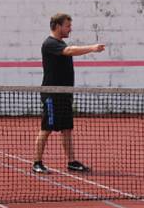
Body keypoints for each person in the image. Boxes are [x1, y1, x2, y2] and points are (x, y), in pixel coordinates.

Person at [32, 13, 105, 174]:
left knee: (66, 129)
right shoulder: (50, 44)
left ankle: (71, 161)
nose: (70, 29)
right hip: (52, 94)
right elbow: (70, 50)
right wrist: (92, 48)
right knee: (46, 129)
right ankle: (37, 162)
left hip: (65, 94)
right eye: (67, 26)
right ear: (57, 26)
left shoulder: (60, 43)